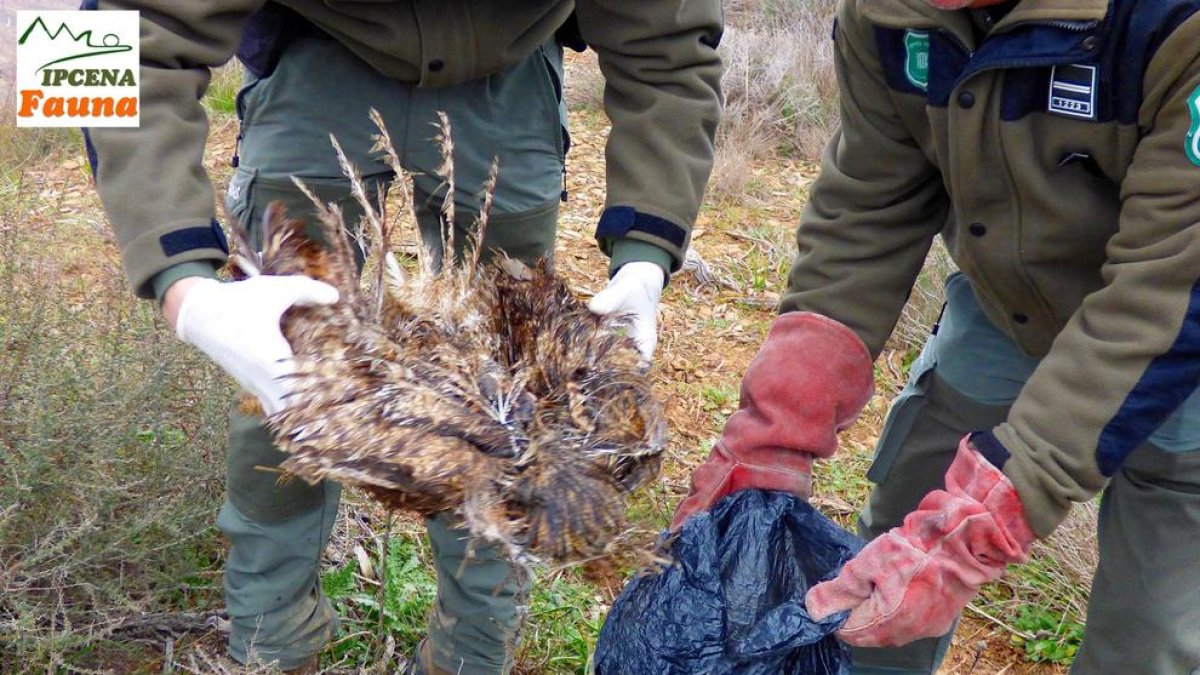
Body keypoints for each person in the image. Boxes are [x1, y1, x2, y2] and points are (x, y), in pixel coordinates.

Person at [84, 2, 722, 672]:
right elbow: (95, 38)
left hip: (507, 70)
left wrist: (650, 245)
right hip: (314, 50)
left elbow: (674, 35)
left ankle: (472, 652)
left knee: (514, 398)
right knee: (285, 368)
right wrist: (183, 286)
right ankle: (272, 642)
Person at [672, 0, 1200, 672]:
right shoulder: (891, 14)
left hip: (1182, 326)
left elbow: (1166, 290)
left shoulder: (1176, 24)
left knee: (1150, 635)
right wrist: (780, 417)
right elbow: (870, 203)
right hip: (1008, 302)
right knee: (887, 554)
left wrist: (985, 519)